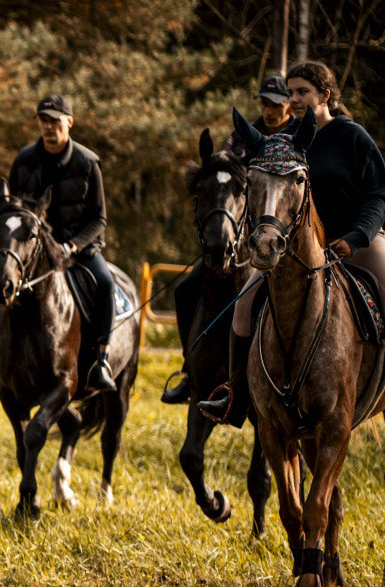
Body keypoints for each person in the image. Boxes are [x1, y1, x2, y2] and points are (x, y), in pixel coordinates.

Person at [198, 61, 385, 425]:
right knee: (242, 307)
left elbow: (378, 193)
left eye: (302, 92)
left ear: (324, 95)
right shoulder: (286, 139)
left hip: (357, 241)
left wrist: (356, 236)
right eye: (291, 92)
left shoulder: (353, 137)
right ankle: (235, 396)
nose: (293, 99)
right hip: (298, 251)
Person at [161, 76, 301, 405]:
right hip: (239, 240)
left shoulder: (298, 133)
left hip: (283, 241)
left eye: (274, 103)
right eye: (263, 102)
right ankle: (190, 369)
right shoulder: (242, 134)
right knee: (184, 289)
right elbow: (224, 171)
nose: (267, 109)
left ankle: (289, 376)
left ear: (288, 105)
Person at [0, 94, 116, 392]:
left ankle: (101, 361)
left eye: (55, 121)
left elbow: (99, 219)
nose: (48, 127)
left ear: (69, 123)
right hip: (32, 250)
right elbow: (11, 208)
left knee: (106, 283)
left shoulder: (88, 163)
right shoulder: (25, 159)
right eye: (43, 121)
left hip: (76, 251)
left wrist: (72, 245)